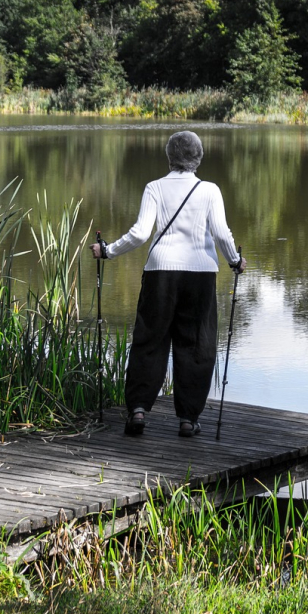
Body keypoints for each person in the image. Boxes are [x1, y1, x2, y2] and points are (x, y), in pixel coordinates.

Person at [90, 131, 245, 437]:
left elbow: (139, 234)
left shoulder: (154, 188)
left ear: (169, 156)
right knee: (196, 344)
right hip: (200, 273)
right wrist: (234, 261)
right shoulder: (210, 190)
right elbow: (221, 233)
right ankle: (188, 419)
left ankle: (138, 410)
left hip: (160, 271)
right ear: (198, 157)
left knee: (149, 339)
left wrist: (108, 251)